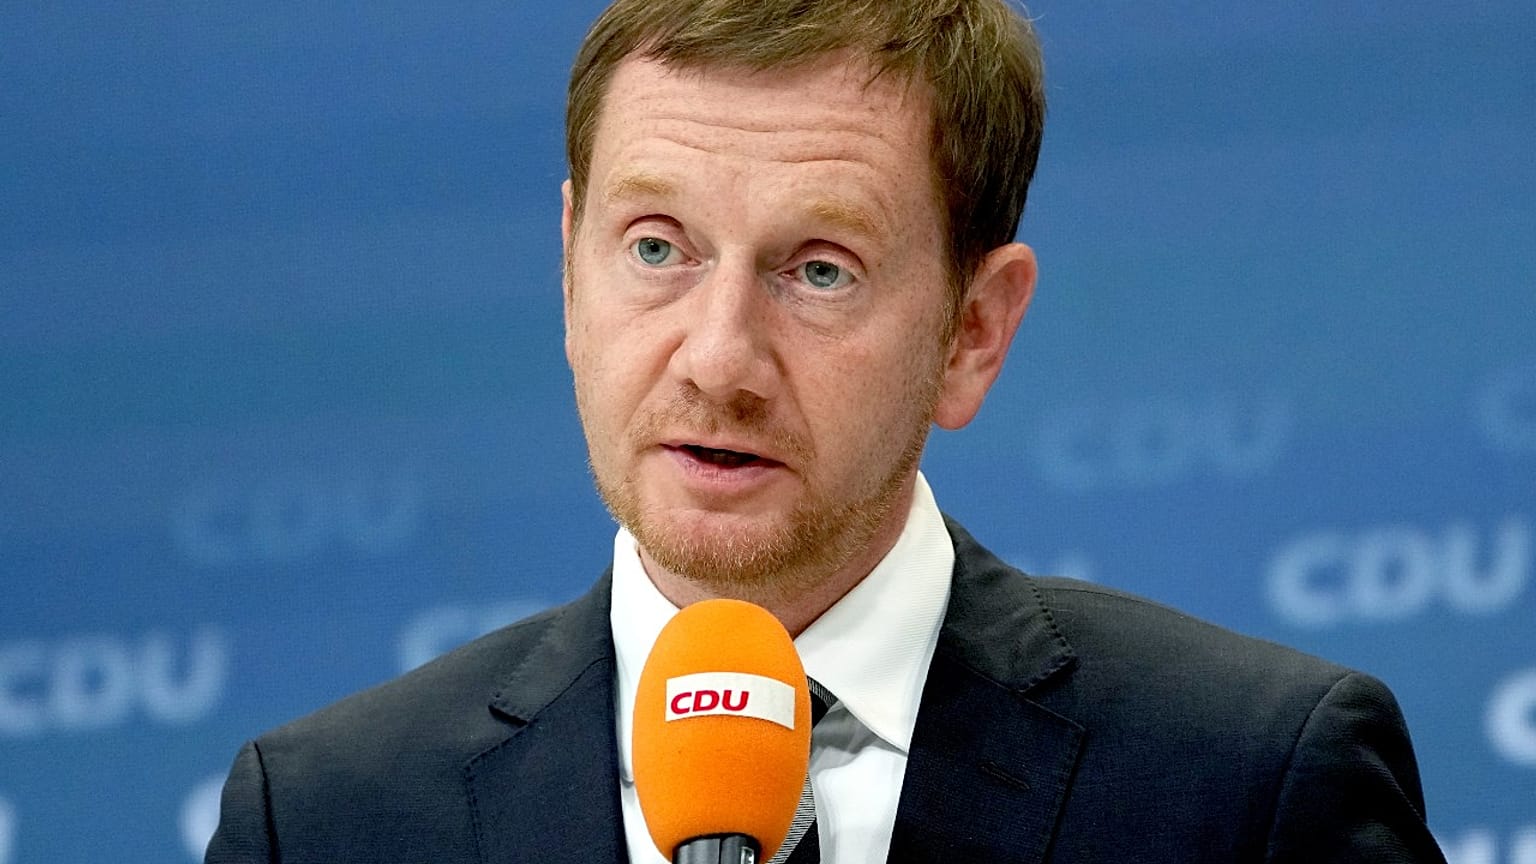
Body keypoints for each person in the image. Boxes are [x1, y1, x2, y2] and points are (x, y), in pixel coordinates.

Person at [206, 1, 1448, 861]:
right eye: (656, 249)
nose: (718, 360)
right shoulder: (325, 821)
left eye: (819, 270)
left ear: (973, 330)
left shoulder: (1244, 790)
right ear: (569, 271)